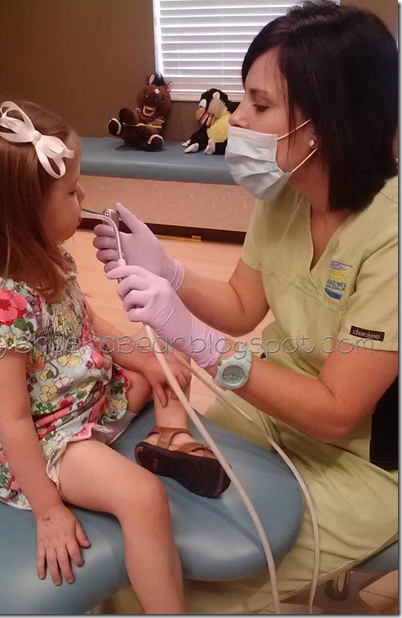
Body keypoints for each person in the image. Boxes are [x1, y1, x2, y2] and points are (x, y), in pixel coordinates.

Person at [93, 0, 398, 613]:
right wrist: (171, 272)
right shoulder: (285, 196)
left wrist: (199, 342)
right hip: (270, 409)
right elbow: (240, 304)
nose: (237, 119)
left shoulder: (389, 235)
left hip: (363, 461)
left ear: (323, 122)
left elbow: (336, 413)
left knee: (180, 588)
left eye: (259, 104)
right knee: (135, 541)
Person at [0, 99, 231, 614]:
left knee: (169, 352)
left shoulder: (53, 259)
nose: (83, 198)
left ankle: (170, 439)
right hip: (55, 438)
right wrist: (48, 511)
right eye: (72, 191)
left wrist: (146, 360)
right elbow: (14, 422)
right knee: (144, 499)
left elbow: (92, 323)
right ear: (21, 213)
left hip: (92, 394)